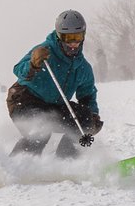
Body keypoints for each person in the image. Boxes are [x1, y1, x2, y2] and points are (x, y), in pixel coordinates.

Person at [7, 9, 103, 157]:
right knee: (41, 128)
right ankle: (18, 164)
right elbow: (18, 70)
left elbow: (88, 96)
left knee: (84, 120)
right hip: (24, 99)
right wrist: (33, 65)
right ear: (59, 36)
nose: (73, 43)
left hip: (53, 106)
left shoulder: (83, 67)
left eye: (77, 37)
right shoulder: (45, 51)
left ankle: (64, 161)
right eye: (68, 37)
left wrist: (93, 117)